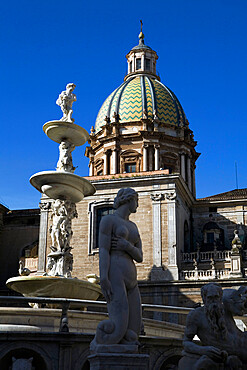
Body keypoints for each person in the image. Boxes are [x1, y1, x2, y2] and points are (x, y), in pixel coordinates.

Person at [92, 188, 143, 346]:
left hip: (131, 277)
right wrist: (104, 277)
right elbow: (104, 250)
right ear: (128, 200)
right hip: (115, 272)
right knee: (119, 324)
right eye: (136, 200)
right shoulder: (109, 221)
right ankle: (104, 344)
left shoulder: (133, 226)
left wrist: (126, 245)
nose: (138, 205)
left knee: (134, 327)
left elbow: (140, 257)